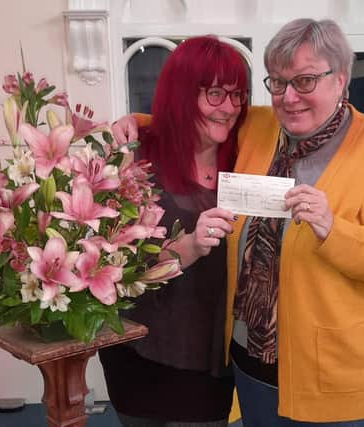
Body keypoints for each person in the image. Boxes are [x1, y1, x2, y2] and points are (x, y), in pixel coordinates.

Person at [113, 18, 364, 426]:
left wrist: (334, 230)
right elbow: (193, 116)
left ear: (340, 79)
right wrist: (135, 122)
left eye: (304, 81)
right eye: (277, 83)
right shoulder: (262, 128)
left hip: (341, 377)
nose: (288, 98)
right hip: (252, 368)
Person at [98, 35, 248, 427]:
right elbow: (111, 261)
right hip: (139, 345)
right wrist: (190, 247)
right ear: (182, 93)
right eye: (215, 93)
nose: (229, 108)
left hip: (210, 351)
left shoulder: (249, 152)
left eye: (237, 95)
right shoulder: (137, 156)